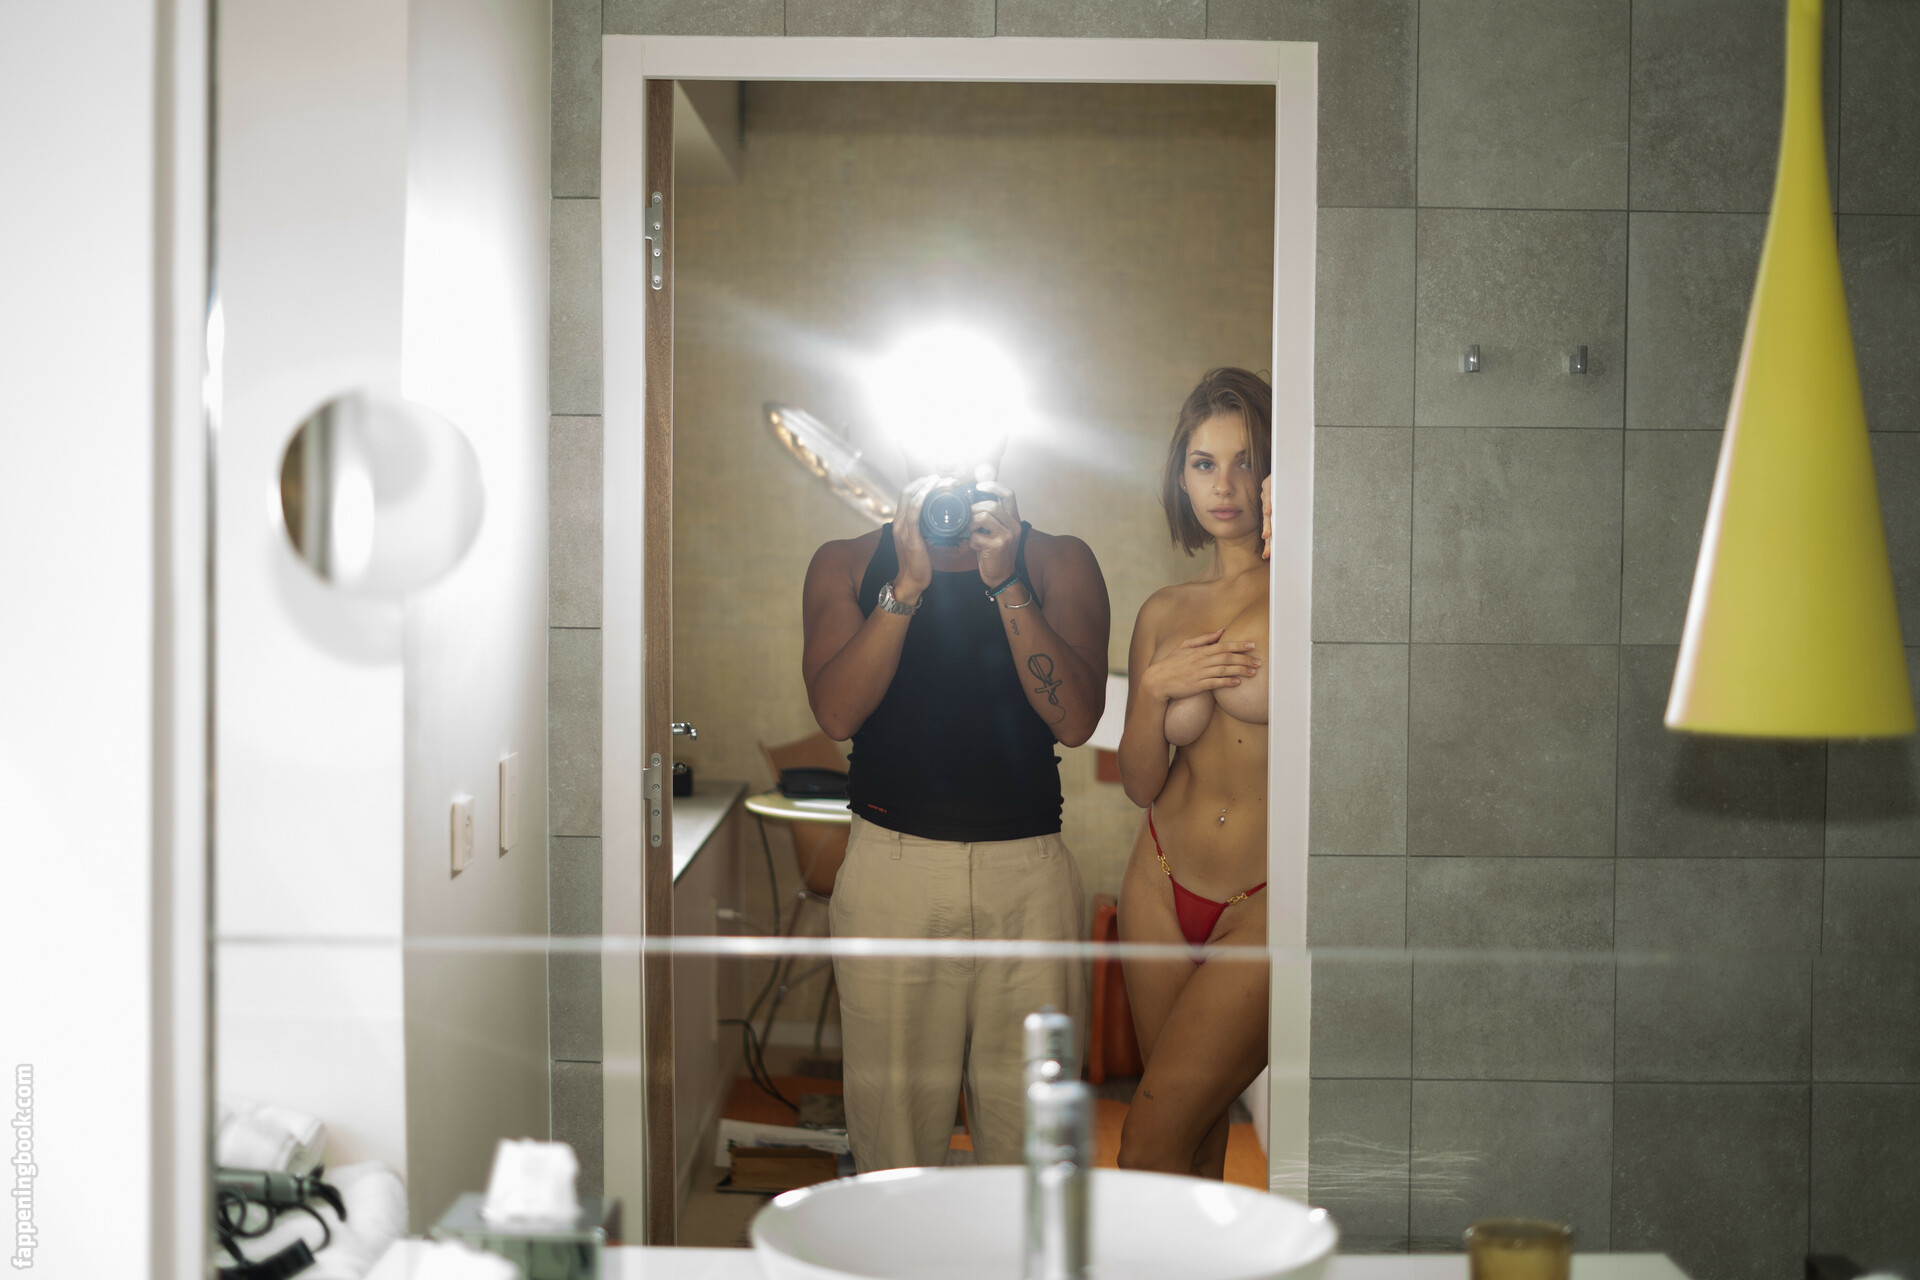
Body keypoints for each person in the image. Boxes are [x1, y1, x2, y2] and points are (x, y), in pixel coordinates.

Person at [801, 457, 1110, 1171]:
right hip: (892, 869)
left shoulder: (1057, 560)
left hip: (1029, 877)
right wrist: (906, 587)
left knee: (1037, 1147)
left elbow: (1075, 721)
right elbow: (837, 713)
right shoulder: (848, 563)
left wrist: (1006, 583)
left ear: (999, 445)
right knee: (894, 1148)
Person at [1114, 367, 1272, 1179]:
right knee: (1188, 1146)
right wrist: (1152, 690)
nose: (1225, 485)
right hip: (1158, 880)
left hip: (1263, 905)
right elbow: (1140, 781)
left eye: (1245, 462)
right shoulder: (1163, 610)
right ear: (1182, 476)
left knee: (1147, 1144)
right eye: (1205, 464)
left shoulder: (1309, 588)